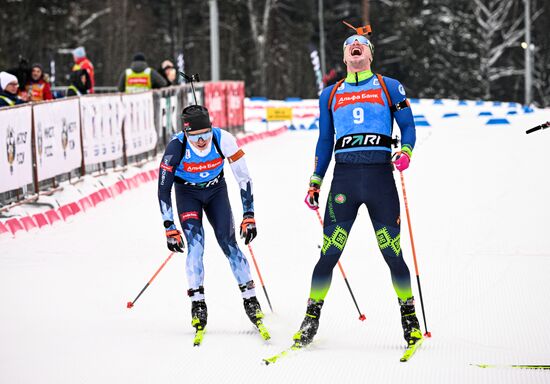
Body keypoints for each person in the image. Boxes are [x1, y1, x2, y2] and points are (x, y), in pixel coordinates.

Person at [294, 32, 421, 353]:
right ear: (344, 56)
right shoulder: (330, 93)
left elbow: (408, 125)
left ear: (369, 54)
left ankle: (410, 321)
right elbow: (325, 140)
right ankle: (310, 319)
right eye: (349, 45)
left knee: (392, 252)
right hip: (344, 181)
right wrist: (315, 181)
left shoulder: (389, 87)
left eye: (361, 45)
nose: (355, 47)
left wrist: (405, 151)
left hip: (380, 178)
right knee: (329, 253)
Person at [157, 104, 269, 345]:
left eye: (205, 134)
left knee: (229, 243)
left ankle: (251, 300)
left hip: (216, 192)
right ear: (186, 133)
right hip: (187, 195)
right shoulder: (176, 147)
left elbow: (243, 177)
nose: (201, 141)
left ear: (211, 128)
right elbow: (163, 188)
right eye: (195, 136)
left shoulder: (223, 139)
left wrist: (248, 214)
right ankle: (197, 304)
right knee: (196, 247)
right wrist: (170, 227)